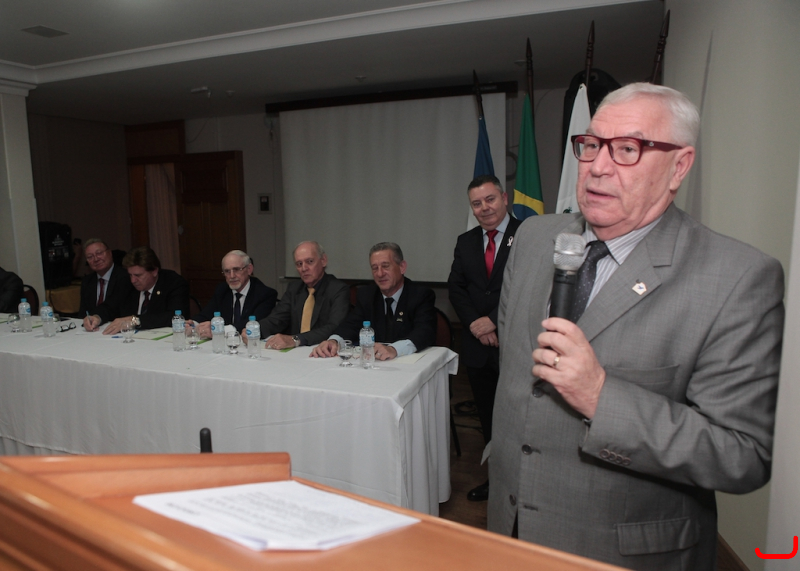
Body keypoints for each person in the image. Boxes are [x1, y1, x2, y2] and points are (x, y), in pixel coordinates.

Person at [488, 83, 784, 570]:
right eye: (591, 145)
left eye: (628, 149)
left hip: (622, 551)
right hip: (508, 526)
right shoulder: (535, 238)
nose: (598, 167)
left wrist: (601, 397)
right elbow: (516, 373)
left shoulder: (738, 278)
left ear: (679, 166)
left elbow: (742, 456)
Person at [448, 174, 521, 502]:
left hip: (515, 345)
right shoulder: (465, 242)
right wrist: (477, 325)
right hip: (478, 349)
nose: (484, 208)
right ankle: (497, 482)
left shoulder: (526, 235)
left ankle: (523, 486)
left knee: (518, 420)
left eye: (490, 199)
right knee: (488, 418)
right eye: (476, 204)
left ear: (504, 198)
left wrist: (493, 322)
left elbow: (528, 288)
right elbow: (456, 288)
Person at [311, 242, 436, 360]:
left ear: (402, 267)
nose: (380, 274)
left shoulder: (420, 295)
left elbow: (424, 332)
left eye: (385, 266)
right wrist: (334, 340)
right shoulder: (367, 295)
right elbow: (351, 325)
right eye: (375, 268)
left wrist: (394, 349)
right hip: (374, 363)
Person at [254, 241, 349, 350]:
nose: (304, 268)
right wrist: (255, 330)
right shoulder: (294, 288)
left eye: (310, 261)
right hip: (296, 352)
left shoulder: (338, 289)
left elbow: (334, 327)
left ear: (323, 260)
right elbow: (277, 319)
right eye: (299, 264)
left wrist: (296, 339)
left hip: (322, 351)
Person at [83, 246, 190, 334]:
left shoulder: (173, 283)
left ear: (154, 271)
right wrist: (96, 317)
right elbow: (109, 306)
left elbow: (174, 316)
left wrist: (134, 320)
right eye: (130, 275)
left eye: (138, 275)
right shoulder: (126, 283)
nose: (133, 280)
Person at [189, 250, 277, 337]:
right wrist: (192, 324)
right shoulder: (222, 290)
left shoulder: (265, 294)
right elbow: (206, 314)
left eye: (237, 270)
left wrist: (221, 330)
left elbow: (256, 323)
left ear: (249, 269)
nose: (232, 276)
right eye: (227, 271)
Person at [78, 239, 134, 317]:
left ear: (110, 253)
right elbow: (83, 313)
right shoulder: (87, 281)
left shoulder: (126, 277)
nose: (96, 259)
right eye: (90, 257)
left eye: (99, 253)